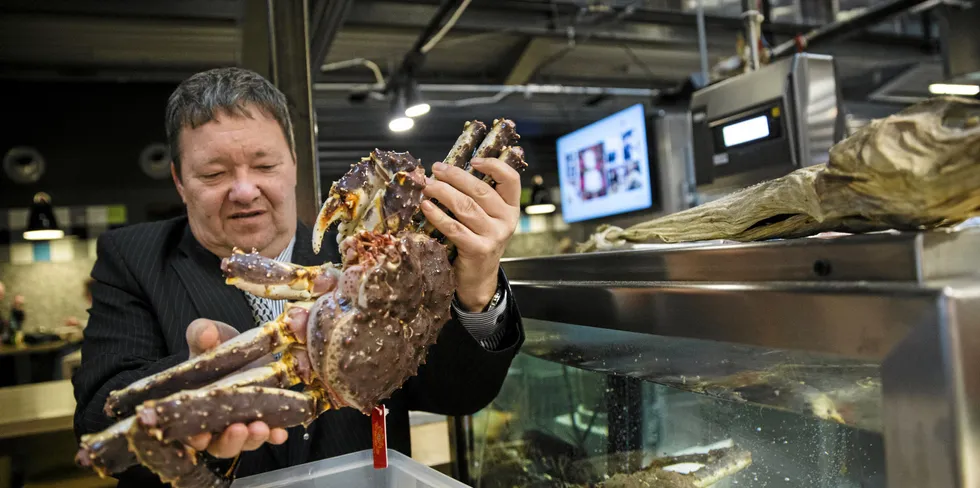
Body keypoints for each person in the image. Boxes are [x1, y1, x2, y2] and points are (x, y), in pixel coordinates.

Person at [72, 67, 526, 486]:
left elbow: (459, 396)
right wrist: (200, 376)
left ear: (293, 163)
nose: (245, 189)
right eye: (214, 173)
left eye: (265, 166)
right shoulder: (133, 258)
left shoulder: (375, 254)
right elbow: (98, 417)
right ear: (179, 180)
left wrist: (478, 286)